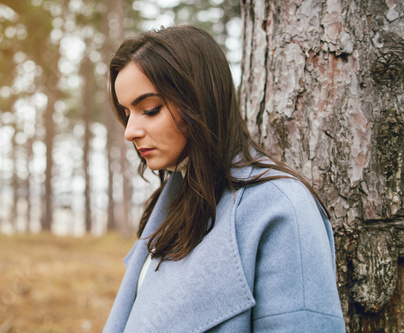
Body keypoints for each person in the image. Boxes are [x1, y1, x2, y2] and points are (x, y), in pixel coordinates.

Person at [103, 25, 345, 332]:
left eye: (150, 109)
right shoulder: (173, 199)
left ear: (199, 101)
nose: (129, 131)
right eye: (127, 113)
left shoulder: (281, 209)